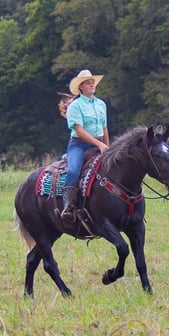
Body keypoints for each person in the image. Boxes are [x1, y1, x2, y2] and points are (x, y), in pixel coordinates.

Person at [60, 69, 109, 224]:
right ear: (81, 87)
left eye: (93, 82)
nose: (92, 85)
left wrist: (107, 147)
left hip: (99, 143)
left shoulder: (101, 104)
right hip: (79, 145)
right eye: (88, 83)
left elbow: (104, 128)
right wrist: (99, 144)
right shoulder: (75, 106)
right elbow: (79, 131)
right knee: (74, 171)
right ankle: (68, 205)